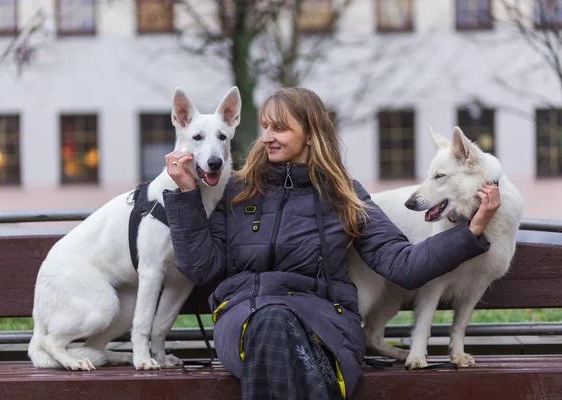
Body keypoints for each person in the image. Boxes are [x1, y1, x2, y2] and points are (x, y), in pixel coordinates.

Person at [162, 87, 499, 400]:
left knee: (285, 338)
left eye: (278, 128)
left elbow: (403, 265)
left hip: (325, 323)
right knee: (274, 323)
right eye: (265, 127)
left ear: (310, 133)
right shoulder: (237, 190)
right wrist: (188, 196)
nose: (266, 138)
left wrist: (472, 230)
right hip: (246, 322)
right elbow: (201, 268)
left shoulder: (343, 194)